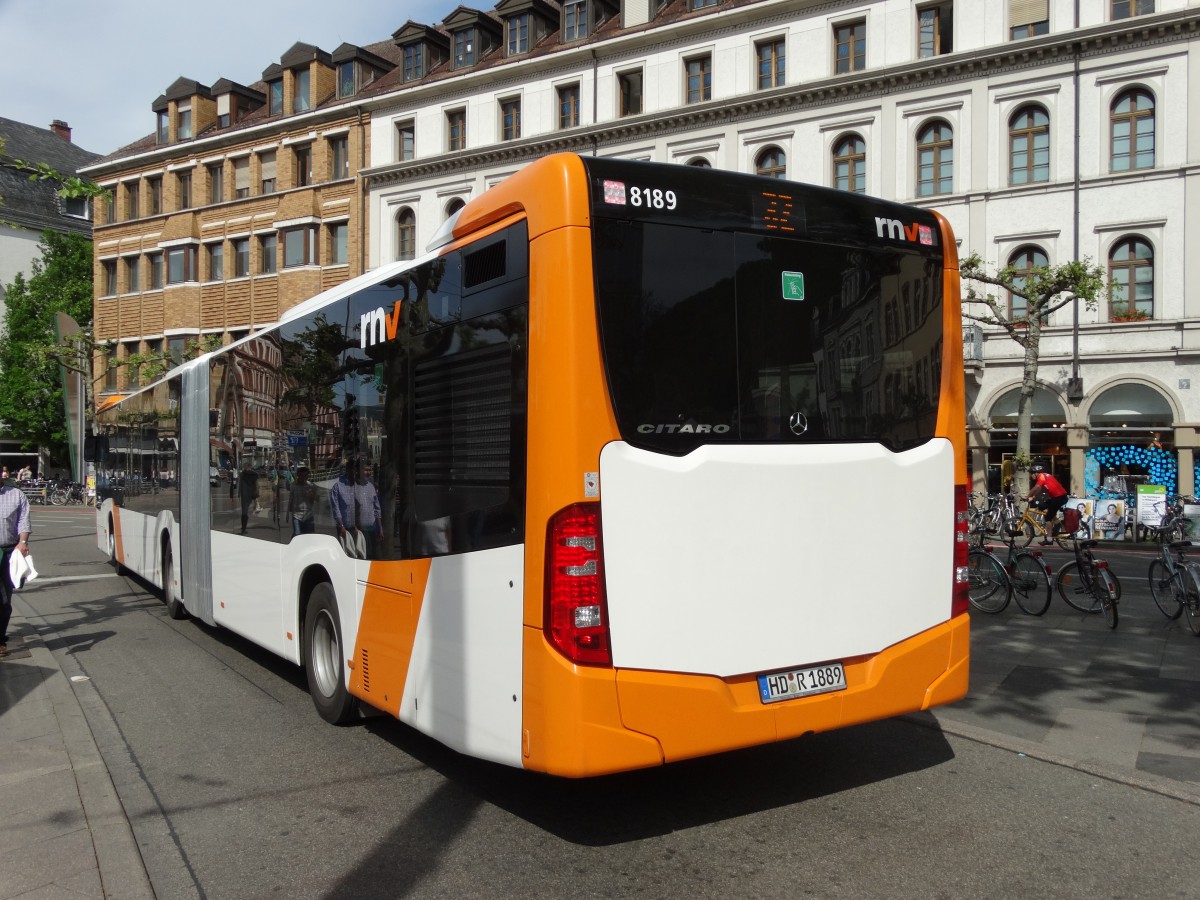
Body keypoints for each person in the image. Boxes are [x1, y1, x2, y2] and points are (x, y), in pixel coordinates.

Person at [0, 478, 32, 658]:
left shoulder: (16, 495)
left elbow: (23, 521)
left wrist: (23, 542)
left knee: (4, 600)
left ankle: (0, 640)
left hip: (7, 552)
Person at [329, 456, 381, 558]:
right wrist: (341, 527)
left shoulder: (361, 485)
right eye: (352, 469)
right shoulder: (338, 486)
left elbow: (360, 507)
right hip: (345, 529)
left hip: (359, 529)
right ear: (348, 469)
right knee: (348, 556)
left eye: (356, 469)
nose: (354, 472)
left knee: (362, 556)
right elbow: (336, 509)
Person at [1026, 464, 1069, 545]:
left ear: (1036, 473)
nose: (1031, 476)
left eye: (1031, 473)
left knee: (1047, 518)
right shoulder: (1045, 476)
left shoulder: (1041, 477)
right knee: (1042, 506)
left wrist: (1028, 496)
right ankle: (1057, 522)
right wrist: (1033, 497)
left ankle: (1049, 539)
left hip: (1059, 498)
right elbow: (1040, 488)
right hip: (1057, 497)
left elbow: (1036, 487)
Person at [287, 466, 317, 536]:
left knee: (309, 536)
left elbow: (316, 500)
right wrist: (288, 514)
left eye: (305, 475)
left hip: (308, 515)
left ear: (308, 476)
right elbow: (290, 499)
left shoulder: (312, 486)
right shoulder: (293, 485)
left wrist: (311, 495)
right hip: (297, 516)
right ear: (298, 475)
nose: (303, 477)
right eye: (301, 475)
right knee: (297, 535)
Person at [237, 462, 260, 535]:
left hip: (244, 495)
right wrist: (256, 494)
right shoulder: (254, 475)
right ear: (250, 467)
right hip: (251, 494)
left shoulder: (242, 474)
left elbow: (240, 484)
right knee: (246, 512)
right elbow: (256, 486)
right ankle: (244, 528)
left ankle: (243, 528)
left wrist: (239, 493)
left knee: (244, 511)